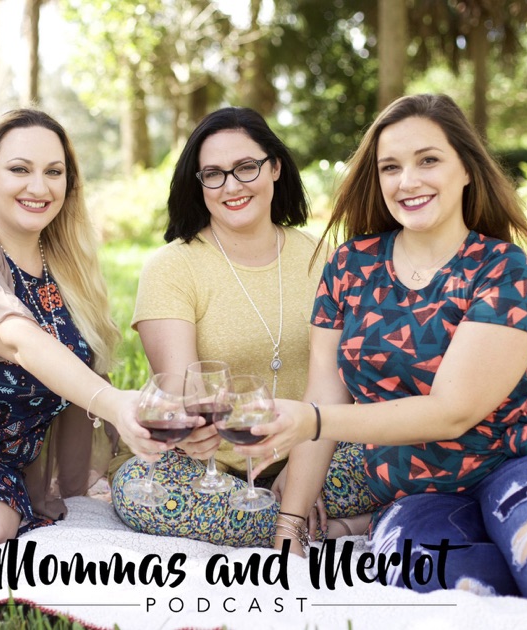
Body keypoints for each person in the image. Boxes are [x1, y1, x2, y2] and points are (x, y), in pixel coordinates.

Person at [238, 94, 527, 601]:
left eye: (428, 160)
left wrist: (311, 419)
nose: (407, 181)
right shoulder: (350, 265)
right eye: (391, 167)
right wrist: (289, 528)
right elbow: (325, 393)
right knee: (433, 578)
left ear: (467, 169)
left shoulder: (501, 268)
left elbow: (451, 413)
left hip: (516, 464)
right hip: (414, 494)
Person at [110, 106, 376, 547]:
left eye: (246, 167)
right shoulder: (172, 267)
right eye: (213, 174)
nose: (231, 186)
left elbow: (342, 384)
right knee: (141, 493)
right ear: (199, 184)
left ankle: (291, 511)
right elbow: (181, 389)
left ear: (274, 167)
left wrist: (302, 474)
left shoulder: (325, 258)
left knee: (404, 449)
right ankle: (329, 525)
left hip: (318, 452)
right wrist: (193, 430)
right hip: (210, 469)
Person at [0, 109, 174, 549]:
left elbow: (79, 370)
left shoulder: (64, 266)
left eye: (54, 172)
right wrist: (114, 404)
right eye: (20, 169)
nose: (39, 187)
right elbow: (17, 339)